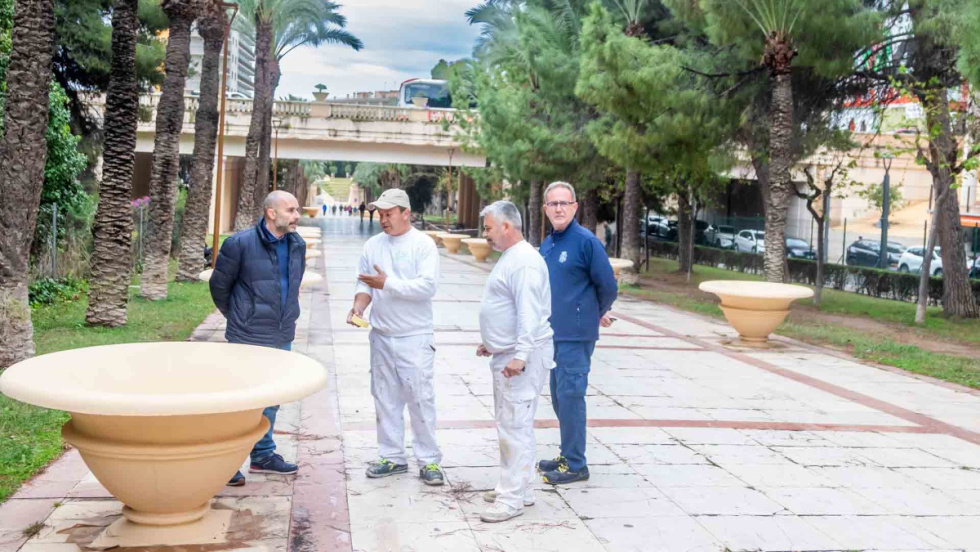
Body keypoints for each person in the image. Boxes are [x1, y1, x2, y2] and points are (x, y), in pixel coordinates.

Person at [347, 188, 445, 486]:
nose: (383, 219)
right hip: (381, 335)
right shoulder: (373, 245)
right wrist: (358, 307)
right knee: (385, 398)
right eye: (380, 214)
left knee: (420, 399)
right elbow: (365, 284)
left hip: (414, 336)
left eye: (389, 214)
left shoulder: (423, 245)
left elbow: (426, 287)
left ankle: (429, 460)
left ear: (406, 213)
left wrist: (387, 283)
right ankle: (392, 456)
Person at [210, 190, 306, 486]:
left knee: (272, 399)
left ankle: (262, 455)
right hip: (247, 336)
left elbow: (293, 285)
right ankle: (227, 462)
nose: (297, 215)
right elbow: (219, 287)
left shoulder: (297, 244)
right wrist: (241, 317)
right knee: (242, 401)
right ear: (271, 213)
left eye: (297, 210)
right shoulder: (239, 244)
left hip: (282, 334)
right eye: (290, 210)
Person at [476, 200, 555, 523]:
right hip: (508, 353)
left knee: (513, 427)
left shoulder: (523, 262)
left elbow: (529, 313)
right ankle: (522, 488)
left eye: (488, 228)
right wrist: (493, 342)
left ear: (507, 226)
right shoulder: (513, 257)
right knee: (517, 425)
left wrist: (520, 356)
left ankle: (510, 500)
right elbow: (508, 308)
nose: (485, 234)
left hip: (521, 358)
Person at [537, 181, 618, 485]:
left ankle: (575, 464)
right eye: (553, 203)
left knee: (571, 397)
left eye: (564, 203)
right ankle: (566, 453)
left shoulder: (586, 242)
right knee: (560, 399)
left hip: (575, 336)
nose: (558, 208)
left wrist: (595, 312)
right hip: (552, 335)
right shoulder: (549, 243)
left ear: (574, 207)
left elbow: (608, 286)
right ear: (545, 209)